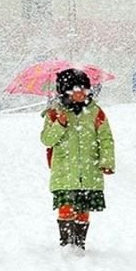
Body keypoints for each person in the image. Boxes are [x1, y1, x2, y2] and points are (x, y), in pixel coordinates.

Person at [41, 68, 115, 252]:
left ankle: (79, 242)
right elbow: (46, 139)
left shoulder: (95, 112)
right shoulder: (55, 113)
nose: (82, 93)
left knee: (83, 208)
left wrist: (106, 162)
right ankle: (66, 243)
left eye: (85, 89)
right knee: (66, 206)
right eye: (76, 90)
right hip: (64, 172)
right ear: (65, 91)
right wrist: (60, 124)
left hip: (89, 170)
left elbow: (105, 138)